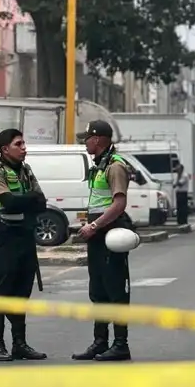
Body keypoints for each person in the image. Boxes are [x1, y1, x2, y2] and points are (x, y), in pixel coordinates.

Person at [0, 128, 49, 362]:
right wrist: (28, 200)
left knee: (22, 291)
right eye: (19, 144)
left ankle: (19, 344)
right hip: (5, 238)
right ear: (5, 149)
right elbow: (8, 203)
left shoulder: (26, 170)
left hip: (25, 237)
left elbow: (42, 201)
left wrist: (28, 201)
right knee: (2, 291)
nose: (24, 148)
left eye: (24, 143)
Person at [72, 120, 133, 362]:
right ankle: (100, 342)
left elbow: (119, 204)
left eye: (86, 137)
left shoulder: (115, 166)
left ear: (97, 139)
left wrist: (95, 225)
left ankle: (120, 344)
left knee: (115, 289)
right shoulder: (100, 165)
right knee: (98, 290)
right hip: (97, 236)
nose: (84, 141)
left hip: (111, 235)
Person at [172, 160, 189, 225]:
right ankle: (179, 221)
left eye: (178, 169)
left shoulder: (185, 175)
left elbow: (180, 183)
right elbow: (174, 184)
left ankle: (184, 221)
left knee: (183, 208)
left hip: (183, 193)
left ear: (181, 169)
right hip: (178, 193)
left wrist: (176, 183)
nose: (177, 170)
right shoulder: (177, 175)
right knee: (179, 208)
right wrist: (175, 183)